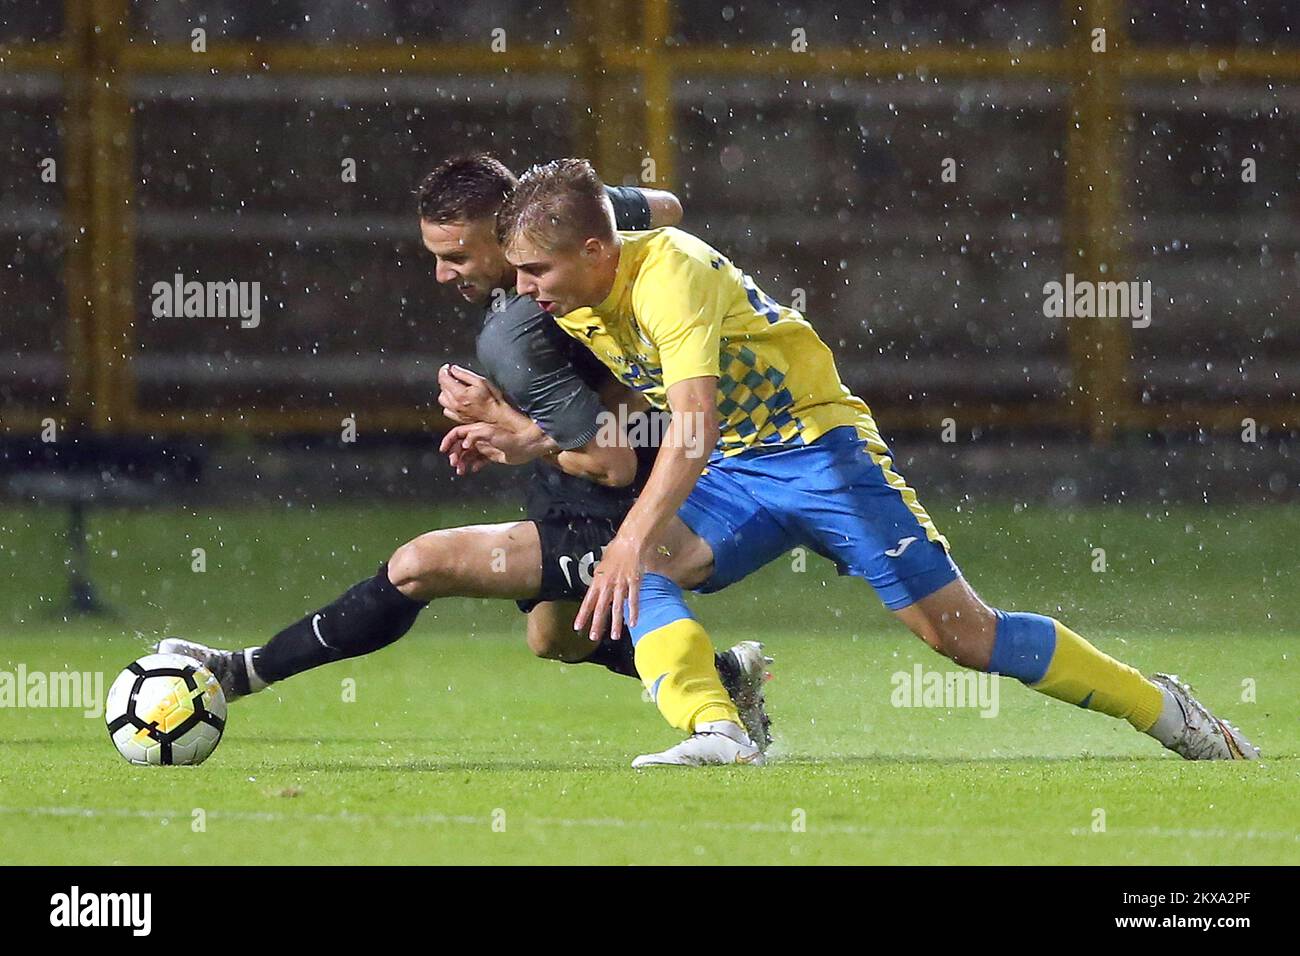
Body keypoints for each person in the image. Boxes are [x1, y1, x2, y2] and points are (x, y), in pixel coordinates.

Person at [471, 156, 1260, 767]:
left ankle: (1162, 709)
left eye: (536, 271)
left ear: (593, 247)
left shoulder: (669, 273)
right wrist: (535, 440)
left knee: (963, 638)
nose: (524, 289)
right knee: (643, 568)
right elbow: (652, 404)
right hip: (741, 470)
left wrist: (631, 534)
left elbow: (691, 430)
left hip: (821, 451)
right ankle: (718, 730)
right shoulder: (576, 296)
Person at [159, 155, 772, 753]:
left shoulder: (514, 335)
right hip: (611, 460)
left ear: (507, 237)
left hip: (620, 487)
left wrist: (517, 431)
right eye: (435, 256)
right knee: (554, 637)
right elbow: (668, 206)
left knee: (421, 564)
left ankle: (239, 671)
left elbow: (610, 462)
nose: (443, 275)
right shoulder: (578, 223)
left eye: (456, 256)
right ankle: (725, 677)